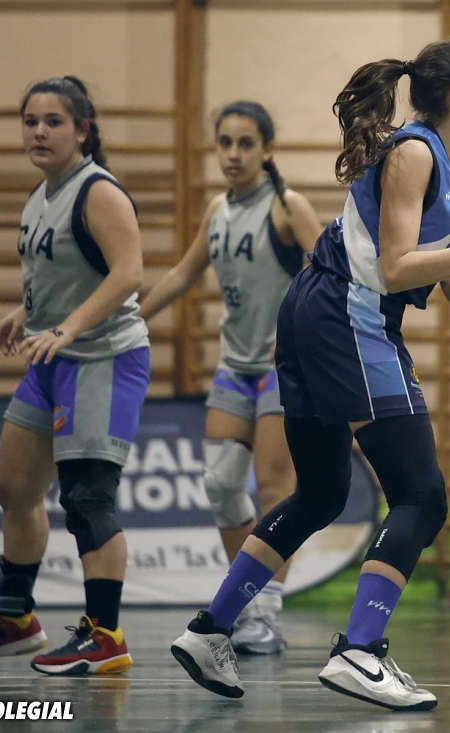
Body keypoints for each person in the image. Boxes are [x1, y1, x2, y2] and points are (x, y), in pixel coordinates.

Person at [169, 39, 450, 710]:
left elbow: (449, 283)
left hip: (320, 313)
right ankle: (359, 649)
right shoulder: (413, 153)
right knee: (422, 496)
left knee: (321, 493)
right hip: (347, 313)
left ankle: (210, 630)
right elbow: (397, 267)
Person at [0, 76, 150, 676]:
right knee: (14, 488)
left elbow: (128, 273)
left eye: (53, 122)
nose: (38, 131)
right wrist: (27, 313)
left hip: (102, 357)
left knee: (87, 498)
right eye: (30, 121)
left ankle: (105, 635)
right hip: (50, 355)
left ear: (82, 130)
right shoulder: (43, 192)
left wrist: (67, 327)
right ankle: (14, 619)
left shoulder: (97, 191)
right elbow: (65, 269)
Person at [138, 101, 322, 654]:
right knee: (220, 486)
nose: (233, 154)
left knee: (273, 489)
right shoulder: (217, 208)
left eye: (245, 143)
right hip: (234, 367)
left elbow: (331, 277)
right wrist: (132, 317)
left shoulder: (287, 206)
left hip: (283, 369)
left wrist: (297, 332)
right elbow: (183, 273)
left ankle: (267, 613)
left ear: (268, 149)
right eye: (225, 143)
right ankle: (246, 601)